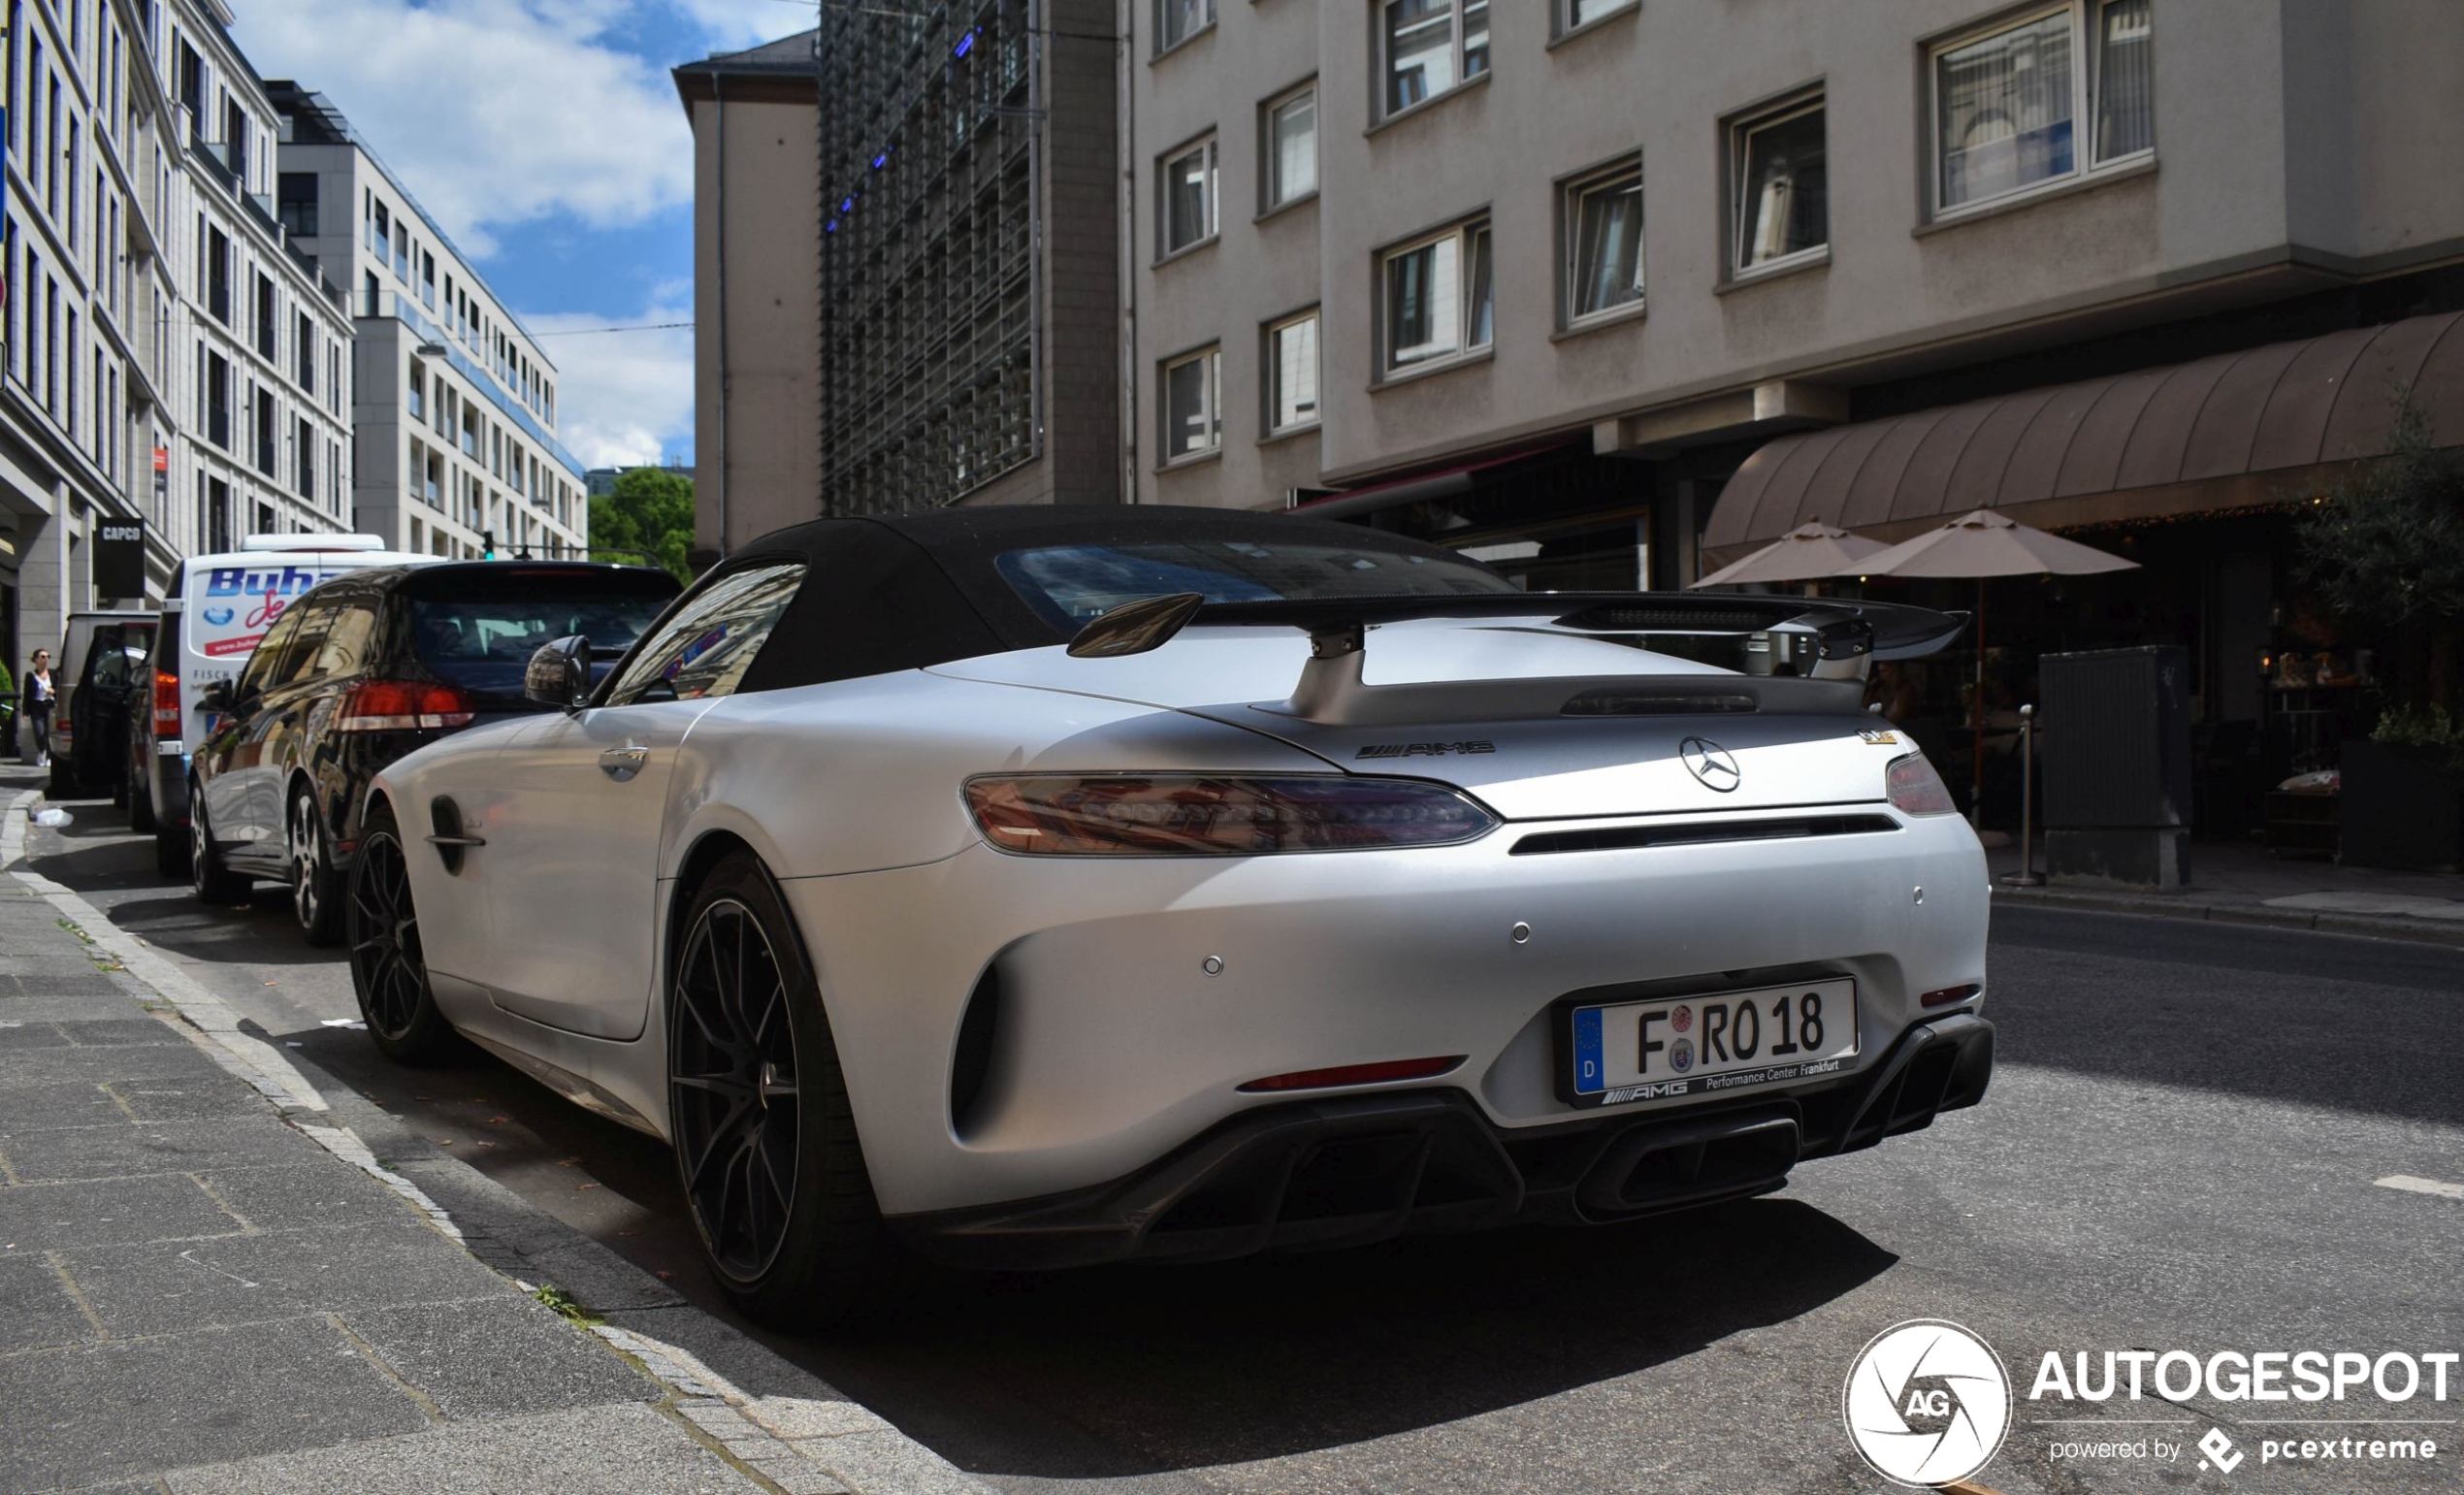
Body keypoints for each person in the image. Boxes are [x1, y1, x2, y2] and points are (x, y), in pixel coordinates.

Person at [22, 648, 56, 767]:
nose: (46, 659)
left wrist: (54, 691)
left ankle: (49, 756)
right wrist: (25, 712)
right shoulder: (31, 675)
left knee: (49, 732)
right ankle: (42, 751)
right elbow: (27, 694)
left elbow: (59, 690)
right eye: (42, 657)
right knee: (39, 732)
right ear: (36, 659)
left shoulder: (53, 673)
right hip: (36, 706)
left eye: (47, 657)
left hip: (50, 705)